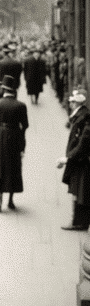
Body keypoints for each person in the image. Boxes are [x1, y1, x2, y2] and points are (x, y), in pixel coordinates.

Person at [0, 75, 28, 212]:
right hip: (15, 137)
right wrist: (22, 144)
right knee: (14, 167)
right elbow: (25, 125)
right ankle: (10, 200)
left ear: (3, 88)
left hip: (0, 137)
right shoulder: (21, 105)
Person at [57, 91, 90, 230]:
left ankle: (78, 222)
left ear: (76, 103)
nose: (69, 104)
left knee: (79, 192)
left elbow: (83, 143)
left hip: (80, 161)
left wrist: (68, 158)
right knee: (79, 191)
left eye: (71, 102)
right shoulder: (81, 115)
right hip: (79, 159)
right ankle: (79, 221)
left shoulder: (84, 118)